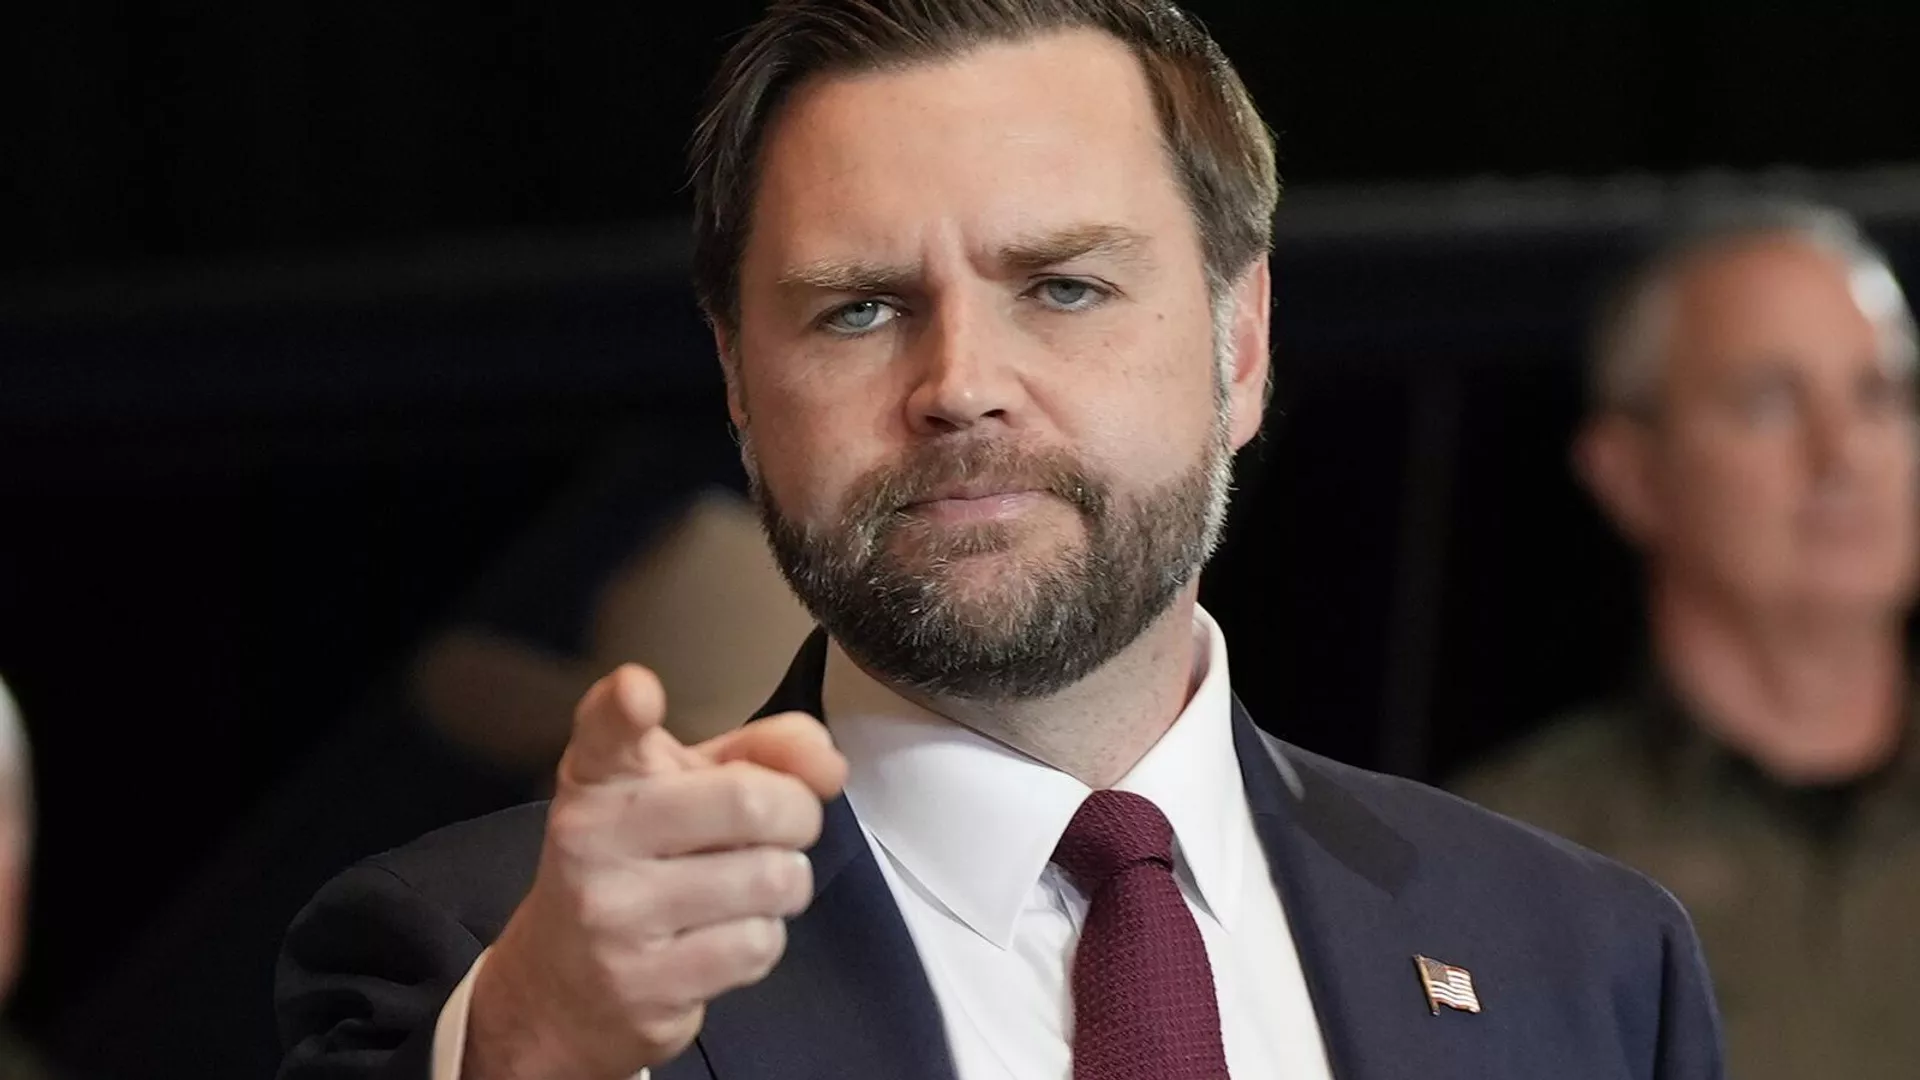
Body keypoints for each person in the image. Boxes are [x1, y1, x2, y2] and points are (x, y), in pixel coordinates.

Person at [277, 3, 1724, 1078]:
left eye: (1064, 287)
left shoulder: (1588, 961)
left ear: (1240, 346)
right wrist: (534, 1052)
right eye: (859, 308)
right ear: (737, 386)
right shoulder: (473, 960)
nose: (960, 383)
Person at [1454, 199, 1920, 1080]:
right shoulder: (1513, 858)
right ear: (1630, 472)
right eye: (1769, 401)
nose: (1843, 456)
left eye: (1879, 396)